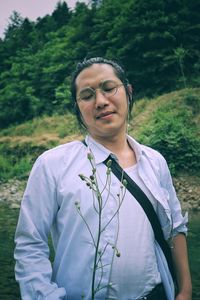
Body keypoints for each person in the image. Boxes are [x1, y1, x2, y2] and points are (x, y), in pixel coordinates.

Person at [14, 57, 192, 300]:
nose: (100, 101)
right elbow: (30, 245)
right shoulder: (52, 165)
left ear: (128, 92)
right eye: (87, 96)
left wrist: (185, 291)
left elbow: (174, 229)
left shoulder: (154, 161)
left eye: (109, 89)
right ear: (77, 107)